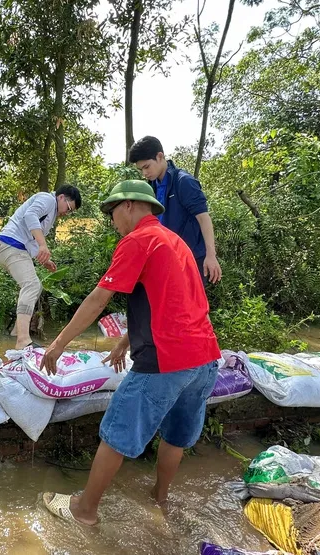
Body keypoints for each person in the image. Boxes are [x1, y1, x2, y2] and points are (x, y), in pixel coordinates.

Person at [40, 180, 221, 525]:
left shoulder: (138, 240)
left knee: (117, 430)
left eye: (112, 214)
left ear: (127, 205)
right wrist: (125, 342)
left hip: (165, 360)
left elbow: (99, 299)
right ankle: (159, 498)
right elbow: (172, 302)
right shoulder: (175, 242)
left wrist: (58, 343)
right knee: (176, 435)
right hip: (205, 358)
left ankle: (84, 511)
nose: (113, 223)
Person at [0, 185, 82, 349]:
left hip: (11, 247)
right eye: (69, 208)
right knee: (32, 285)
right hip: (10, 245)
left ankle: (17, 333)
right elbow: (30, 215)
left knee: (34, 286)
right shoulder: (47, 199)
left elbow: (31, 239)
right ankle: (22, 340)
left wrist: (44, 259)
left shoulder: (50, 213)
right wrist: (43, 245)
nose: (66, 213)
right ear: (61, 197)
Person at [128, 136, 222, 284]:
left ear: (160, 156)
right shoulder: (151, 187)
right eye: (141, 169)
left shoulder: (183, 181)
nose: (144, 173)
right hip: (167, 259)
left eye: (146, 167)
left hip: (191, 259)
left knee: (190, 299)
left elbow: (203, 218)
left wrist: (211, 255)